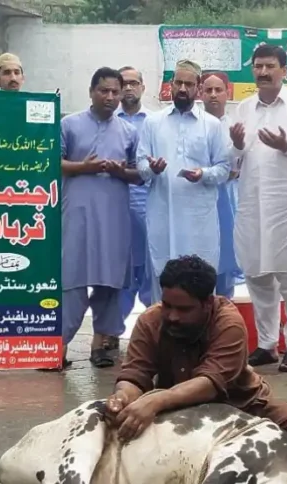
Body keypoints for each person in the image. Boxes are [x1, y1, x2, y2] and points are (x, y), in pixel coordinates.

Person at [108, 255, 287, 447]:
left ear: (208, 303)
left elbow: (210, 383)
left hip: (240, 405)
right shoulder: (150, 320)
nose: (172, 316)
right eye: (167, 305)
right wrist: (123, 396)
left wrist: (155, 400)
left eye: (183, 309)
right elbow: (135, 373)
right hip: (175, 408)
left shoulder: (228, 322)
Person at [228, 44, 287, 373]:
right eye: (258, 66)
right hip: (252, 202)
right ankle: (266, 345)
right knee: (257, 274)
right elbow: (231, 160)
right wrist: (237, 145)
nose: (263, 72)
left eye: (270, 66)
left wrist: (286, 146)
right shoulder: (243, 108)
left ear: (284, 70)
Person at [58, 67, 141, 369]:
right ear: (91, 91)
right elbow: (52, 163)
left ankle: (102, 345)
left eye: (115, 92)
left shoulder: (129, 131)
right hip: (77, 215)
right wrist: (84, 168)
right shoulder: (69, 124)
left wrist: (121, 171)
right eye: (103, 91)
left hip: (114, 217)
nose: (109, 97)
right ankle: (58, 347)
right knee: (72, 281)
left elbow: (139, 175)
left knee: (110, 282)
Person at [137, 59, 231, 303]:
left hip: (199, 219)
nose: (182, 88)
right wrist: (153, 169)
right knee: (163, 274)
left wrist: (203, 174)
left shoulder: (211, 125)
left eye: (189, 84)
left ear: (197, 88)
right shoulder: (152, 122)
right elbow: (140, 165)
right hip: (163, 214)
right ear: (170, 84)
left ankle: (201, 338)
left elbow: (223, 169)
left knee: (201, 277)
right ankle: (164, 338)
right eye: (178, 82)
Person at [110, 65, 156, 353]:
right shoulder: (107, 121)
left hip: (149, 208)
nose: (128, 88)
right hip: (115, 209)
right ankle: (111, 332)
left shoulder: (154, 122)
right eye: (123, 83)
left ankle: (155, 333)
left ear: (143, 86)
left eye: (134, 83)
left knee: (152, 273)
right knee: (120, 274)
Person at [201, 72, 242, 299]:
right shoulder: (194, 126)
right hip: (199, 197)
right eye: (208, 90)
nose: (214, 95)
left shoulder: (236, 128)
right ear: (201, 93)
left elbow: (238, 166)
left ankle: (223, 317)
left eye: (219, 90)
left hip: (227, 201)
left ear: (229, 93)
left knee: (225, 261)